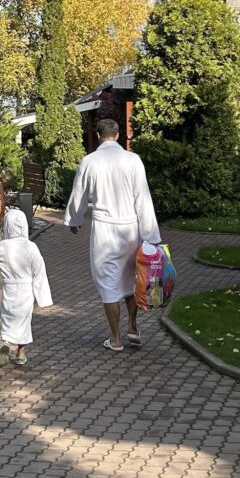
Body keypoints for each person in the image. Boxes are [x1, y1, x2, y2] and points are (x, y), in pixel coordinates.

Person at [65, 118, 161, 352]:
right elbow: (143, 197)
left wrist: (74, 220)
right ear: (118, 136)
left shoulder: (90, 161)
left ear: (98, 136)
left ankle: (116, 338)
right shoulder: (133, 160)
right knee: (131, 277)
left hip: (104, 229)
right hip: (130, 228)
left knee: (109, 283)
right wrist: (151, 235)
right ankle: (133, 326)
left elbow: (79, 193)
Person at [0, 206, 53, 366]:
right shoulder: (30, 247)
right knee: (24, 321)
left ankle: (5, 341)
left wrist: (1, 233)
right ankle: (20, 353)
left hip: (9, 288)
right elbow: (39, 271)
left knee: (7, 317)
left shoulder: (3, 247)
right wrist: (43, 297)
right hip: (25, 290)